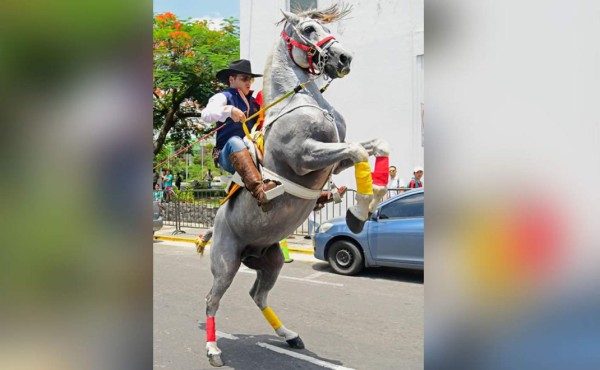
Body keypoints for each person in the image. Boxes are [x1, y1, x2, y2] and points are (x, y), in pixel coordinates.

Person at [201, 59, 279, 211]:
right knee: (235, 141)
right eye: (244, 78)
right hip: (228, 154)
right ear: (232, 79)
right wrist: (229, 110)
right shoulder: (223, 97)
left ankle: (309, 194)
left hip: (252, 152)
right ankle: (259, 191)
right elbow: (205, 114)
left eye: (250, 79)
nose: (248, 82)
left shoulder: (255, 102)